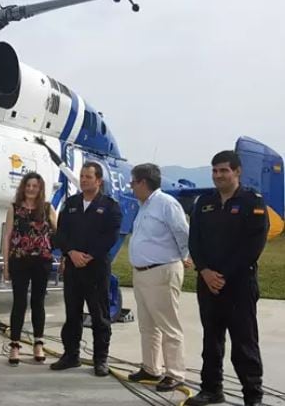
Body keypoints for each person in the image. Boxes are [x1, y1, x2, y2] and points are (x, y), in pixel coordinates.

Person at [186, 151, 268, 406]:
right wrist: (205, 271)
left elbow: (252, 246)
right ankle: (211, 389)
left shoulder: (252, 202)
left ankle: (252, 395)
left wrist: (223, 275)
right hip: (208, 283)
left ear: (237, 172)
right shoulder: (204, 202)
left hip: (239, 284)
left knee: (244, 343)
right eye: (215, 171)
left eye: (224, 170)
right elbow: (194, 241)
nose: (218, 175)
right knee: (211, 339)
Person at [50, 162, 122, 377]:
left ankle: (100, 359)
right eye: (81, 176)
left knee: (99, 316)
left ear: (98, 180)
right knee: (72, 314)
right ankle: (70, 355)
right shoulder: (71, 204)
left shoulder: (110, 206)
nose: (83, 180)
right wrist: (71, 252)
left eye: (88, 177)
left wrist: (89, 255)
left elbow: (111, 236)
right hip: (73, 268)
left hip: (96, 268)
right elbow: (61, 234)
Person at [128, 163, 190, 392]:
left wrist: (183, 256)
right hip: (143, 273)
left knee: (168, 325)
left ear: (143, 182)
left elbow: (183, 233)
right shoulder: (144, 205)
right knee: (147, 325)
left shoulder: (166, 204)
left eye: (133, 182)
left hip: (162, 271)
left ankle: (175, 373)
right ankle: (151, 368)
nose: (131, 187)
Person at [3, 172, 57, 366]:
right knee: (19, 302)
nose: (31, 189)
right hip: (19, 260)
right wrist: (6, 266)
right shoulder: (14, 208)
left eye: (35, 186)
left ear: (40, 188)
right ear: (23, 187)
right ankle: (15, 345)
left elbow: (58, 232)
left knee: (38, 302)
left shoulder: (48, 208)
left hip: (41, 261)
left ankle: (38, 343)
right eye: (28, 185)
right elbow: (7, 236)